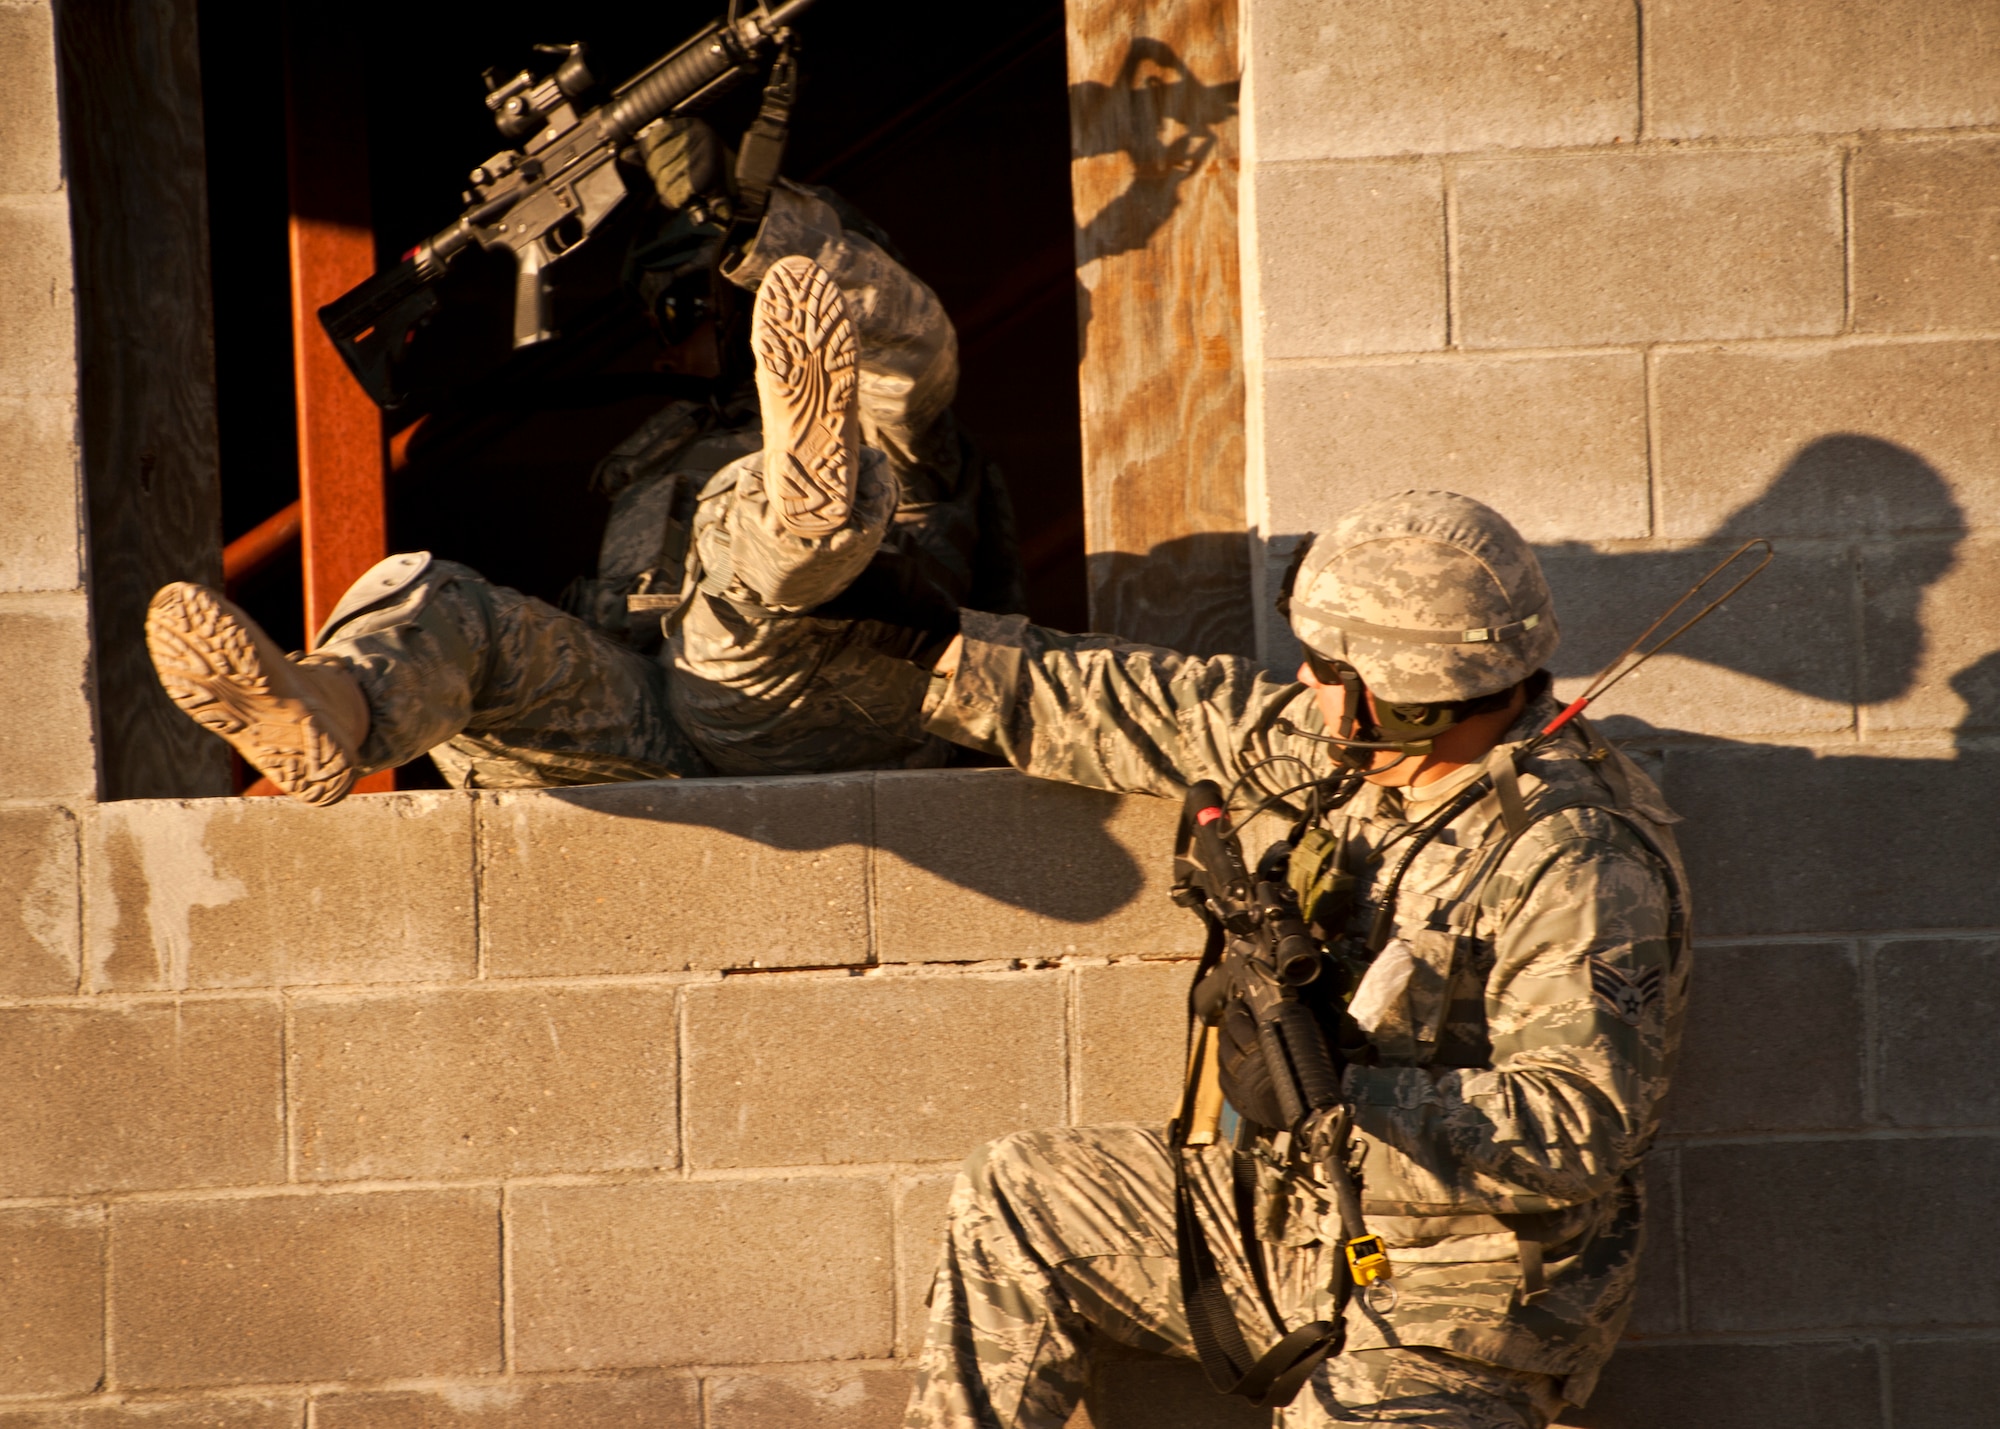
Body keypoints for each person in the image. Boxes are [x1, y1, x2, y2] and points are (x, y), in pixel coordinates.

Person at [899, 491, 1690, 1428]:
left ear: (1398, 693)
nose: (1304, 687)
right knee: (1020, 1191)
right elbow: (1156, 705)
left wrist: (1334, 1101)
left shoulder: (1578, 856)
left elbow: (1580, 1125)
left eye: (1324, 667)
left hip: (1446, 1304)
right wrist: (920, 642)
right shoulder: (1353, 750)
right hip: (1283, 1213)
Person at [145, 121, 1014, 802]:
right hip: (662, 737)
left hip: (825, 707)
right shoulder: (655, 457)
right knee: (453, 609)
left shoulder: (893, 420)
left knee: (744, 555)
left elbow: (910, 336)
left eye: (686, 306)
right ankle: (331, 706)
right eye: (661, 318)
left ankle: (803, 507)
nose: (671, 344)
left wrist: (761, 227)